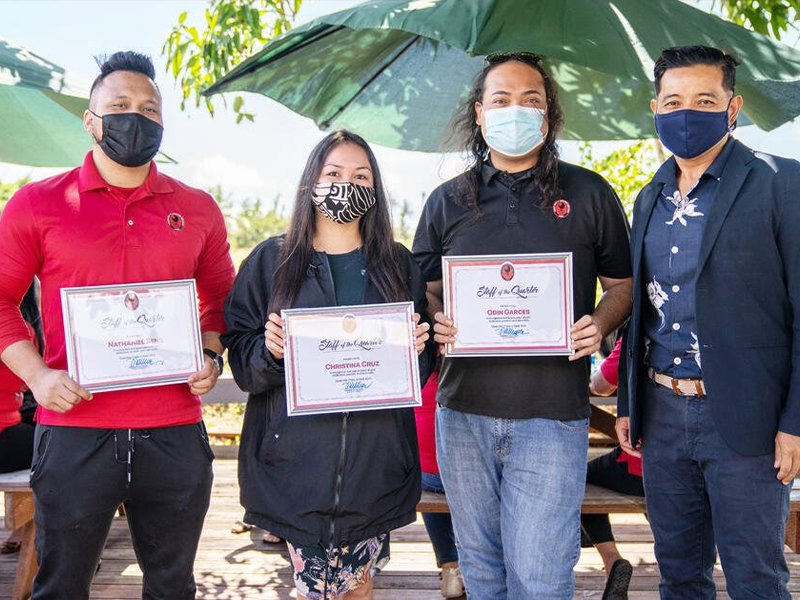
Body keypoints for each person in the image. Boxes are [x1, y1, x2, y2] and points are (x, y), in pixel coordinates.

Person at [0, 51, 235, 600]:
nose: (137, 117)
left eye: (150, 109)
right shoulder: (37, 204)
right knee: (59, 587)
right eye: (121, 105)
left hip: (174, 429)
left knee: (173, 588)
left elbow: (221, 301)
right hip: (73, 433)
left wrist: (210, 356)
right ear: (91, 119)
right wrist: (36, 377)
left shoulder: (197, 209)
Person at [412, 52, 633, 600]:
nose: (517, 109)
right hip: (462, 415)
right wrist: (437, 321)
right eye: (501, 99)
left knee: (539, 577)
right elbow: (426, 289)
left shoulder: (589, 193)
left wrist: (598, 323)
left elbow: (623, 285)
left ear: (549, 115)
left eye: (531, 99)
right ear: (480, 114)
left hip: (552, 417)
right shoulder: (446, 201)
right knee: (482, 572)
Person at [616, 45, 800, 600]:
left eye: (704, 99)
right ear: (655, 108)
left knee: (756, 580)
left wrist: (794, 421)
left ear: (733, 105)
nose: (686, 112)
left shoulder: (781, 184)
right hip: (663, 414)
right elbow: (643, 309)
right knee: (679, 577)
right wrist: (629, 403)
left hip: (749, 421)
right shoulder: (647, 196)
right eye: (673, 101)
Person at [222, 129, 433, 600]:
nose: (346, 184)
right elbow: (242, 357)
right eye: (333, 173)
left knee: (359, 587)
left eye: (361, 176)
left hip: (374, 465)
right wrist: (269, 351)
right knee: (315, 590)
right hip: (296, 467)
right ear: (310, 182)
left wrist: (418, 350)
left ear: (374, 191)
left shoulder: (397, 265)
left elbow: (415, 375)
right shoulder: (272, 262)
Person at [583, 338, 644, 600]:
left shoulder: (639, 331)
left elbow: (601, 384)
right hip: (701, 465)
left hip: (639, 467)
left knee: (577, 479)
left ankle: (611, 561)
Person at [414, 366, 465, 599]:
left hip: (428, 475)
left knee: (430, 475)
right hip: (467, 475)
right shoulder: (462, 369)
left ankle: (450, 567)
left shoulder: (417, 366)